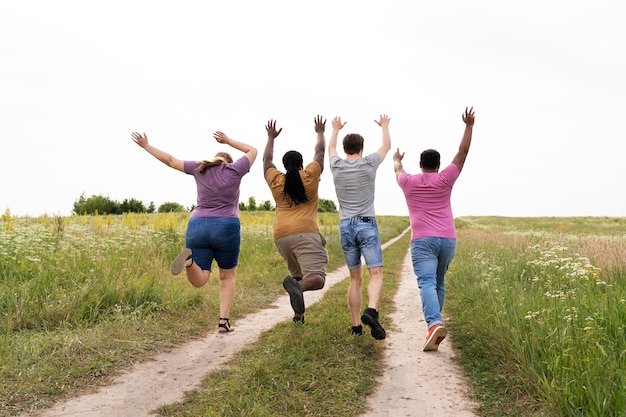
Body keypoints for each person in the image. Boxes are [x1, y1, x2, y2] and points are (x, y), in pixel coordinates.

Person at [131, 130, 257, 333]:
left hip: (197, 225)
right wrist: (228, 140)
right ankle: (223, 322)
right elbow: (253, 150)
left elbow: (170, 160)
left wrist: (146, 146)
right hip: (226, 226)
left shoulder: (200, 168)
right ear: (228, 162)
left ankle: (189, 262)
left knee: (201, 278)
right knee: (227, 276)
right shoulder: (235, 170)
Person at [392, 107, 475, 351]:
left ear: (420, 165)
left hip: (423, 240)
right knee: (438, 281)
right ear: (439, 165)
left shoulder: (408, 181)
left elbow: (397, 168)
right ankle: (434, 330)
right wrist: (468, 126)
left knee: (426, 282)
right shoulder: (445, 178)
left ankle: (434, 323)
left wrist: (397, 158)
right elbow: (463, 152)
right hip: (448, 240)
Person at [328, 115, 391, 339]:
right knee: (376, 273)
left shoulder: (335, 165)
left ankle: (356, 326)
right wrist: (384, 126)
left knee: (355, 278)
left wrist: (335, 129)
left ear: (346, 148)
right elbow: (386, 146)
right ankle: (371, 310)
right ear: (362, 148)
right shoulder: (368, 163)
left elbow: (331, 148)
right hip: (366, 223)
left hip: (346, 226)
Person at [263, 116, 328, 324]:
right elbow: (319, 152)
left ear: (284, 165)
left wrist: (271, 138)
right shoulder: (310, 176)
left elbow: (266, 160)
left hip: (281, 236)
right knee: (316, 279)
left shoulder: (276, 179)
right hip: (305, 233)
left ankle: (298, 317)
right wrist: (320, 131)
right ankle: (297, 288)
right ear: (301, 164)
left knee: (298, 275)